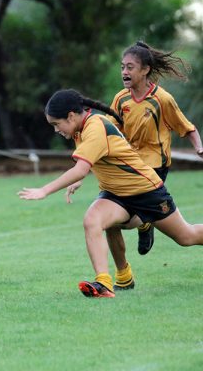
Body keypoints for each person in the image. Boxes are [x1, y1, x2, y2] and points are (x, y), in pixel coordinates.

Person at [18, 89, 203, 299]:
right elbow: (91, 160)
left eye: (56, 124)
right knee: (92, 220)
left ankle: (142, 221)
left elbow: (80, 167)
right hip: (116, 193)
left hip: (146, 191)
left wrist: (44, 190)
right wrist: (80, 178)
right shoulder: (80, 129)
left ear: (71, 116)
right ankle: (103, 283)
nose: (56, 130)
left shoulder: (95, 127)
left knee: (187, 237)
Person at [105, 41, 203, 263]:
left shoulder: (162, 99)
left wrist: (198, 146)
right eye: (122, 67)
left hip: (155, 168)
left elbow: (187, 127)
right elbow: (109, 131)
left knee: (181, 236)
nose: (124, 72)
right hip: (129, 166)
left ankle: (144, 219)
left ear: (145, 69)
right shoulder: (121, 99)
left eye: (130, 67)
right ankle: (124, 274)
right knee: (111, 220)